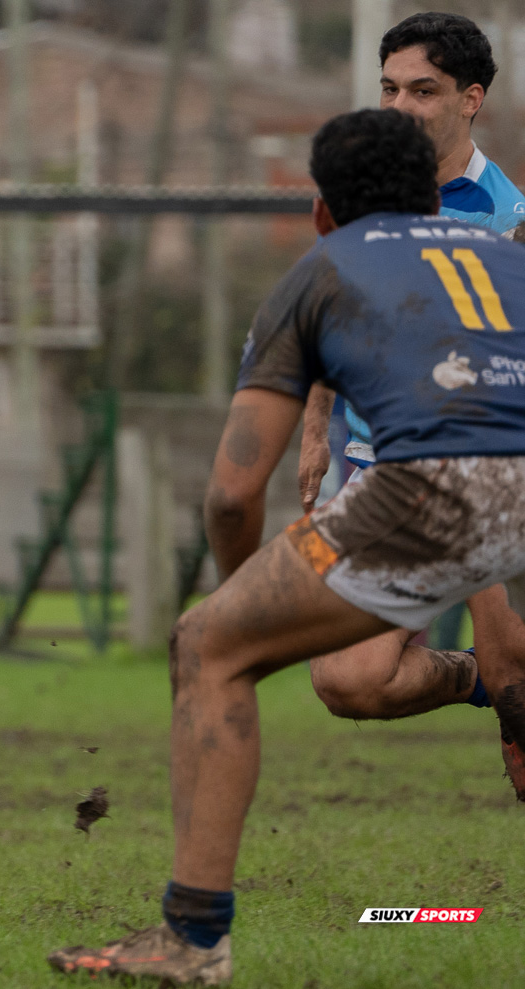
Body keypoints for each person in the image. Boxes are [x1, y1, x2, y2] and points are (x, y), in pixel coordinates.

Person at [48, 109, 525, 984]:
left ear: (321, 212)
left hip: (434, 489)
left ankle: (192, 939)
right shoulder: (509, 256)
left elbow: (234, 491)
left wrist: (242, 607)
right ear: (434, 201)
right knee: (385, 675)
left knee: (207, 645)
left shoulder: (322, 271)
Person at [298, 13, 525, 725]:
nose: (400, 107)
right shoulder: (354, 202)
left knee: (512, 662)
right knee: (348, 679)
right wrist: (314, 431)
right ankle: (480, 678)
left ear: (471, 99)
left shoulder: (506, 219)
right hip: (385, 473)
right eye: (389, 88)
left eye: (423, 91)